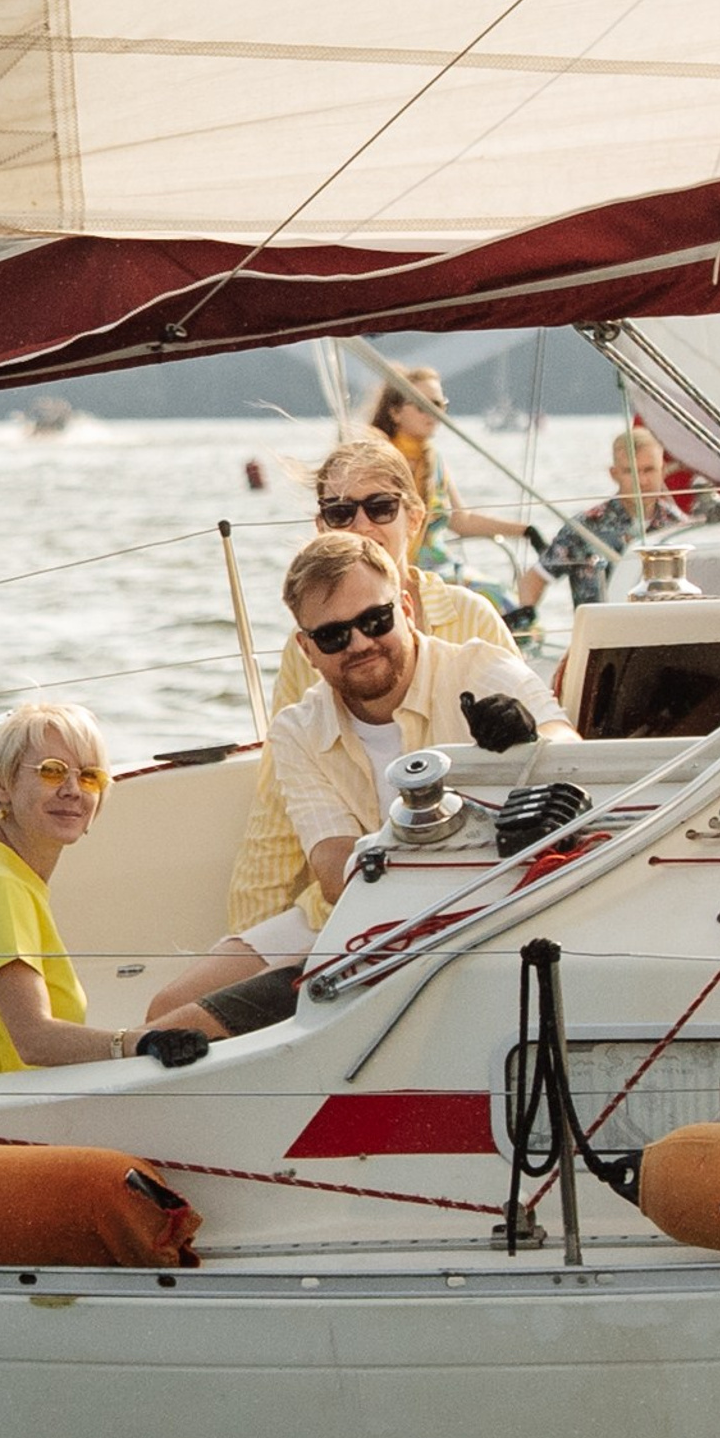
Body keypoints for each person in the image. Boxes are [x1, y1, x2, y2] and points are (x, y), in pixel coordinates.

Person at [151, 533, 573, 1025]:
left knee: (208, 1024)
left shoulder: (479, 670)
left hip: (482, 906)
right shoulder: (298, 729)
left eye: (375, 620)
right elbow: (334, 874)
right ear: (307, 649)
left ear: (406, 609)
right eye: (333, 636)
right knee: (166, 1011)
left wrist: (528, 738)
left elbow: (571, 750)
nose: (360, 644)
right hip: (353, 913)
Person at [224, 436, 515, 947]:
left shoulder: (471, 620)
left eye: (380, 507)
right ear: (321, 528)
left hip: (476, 886)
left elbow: (532, 745)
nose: (360, 525)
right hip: (353, 897)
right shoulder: (308, 650)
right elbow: (278, 805)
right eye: (340, 513)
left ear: (415, 517)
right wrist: (249, 933)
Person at [0, 704, 211, 1082]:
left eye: (89, 776)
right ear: (2, 786)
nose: (72, 790)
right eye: (52, 771)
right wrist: (140, 1043)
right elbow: (33, 1038)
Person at [366, 364, 546, 591]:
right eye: (422, 405)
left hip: (441, 570)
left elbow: (462, 521)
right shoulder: (377, 460)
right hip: (397, 573)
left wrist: (526, 531)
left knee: (502, 596)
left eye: (438, 405)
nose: (432, 413)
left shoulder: (435, 462)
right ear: (395, 412)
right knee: (491, 595)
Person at [541, 423, 689, 606]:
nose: (642, 481)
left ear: (663, 470)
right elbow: (536, 578)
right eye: (630, 472)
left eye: (649, 470)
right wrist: (526, 616)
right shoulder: (585, 527)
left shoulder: (680, 529)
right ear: (614, 474)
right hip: (601, 623)